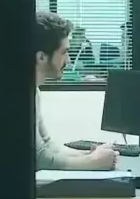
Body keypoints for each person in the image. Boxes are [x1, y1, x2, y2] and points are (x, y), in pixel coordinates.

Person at [35, 11, 119, 170]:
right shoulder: (16, 96)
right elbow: (39, 159)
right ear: (41, 57)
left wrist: (89, 155)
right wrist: (93, 162)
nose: (69, 60)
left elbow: (47, 146)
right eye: (64, 52)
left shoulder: (33, 91)